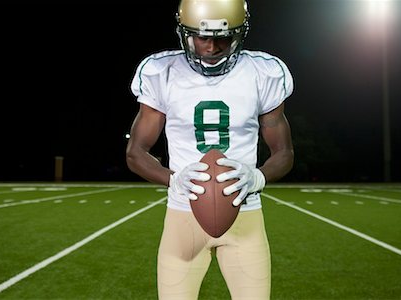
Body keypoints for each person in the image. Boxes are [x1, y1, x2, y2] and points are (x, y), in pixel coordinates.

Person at [126, 0, 294, 298]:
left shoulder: (261, 73)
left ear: (240, 33)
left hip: (245, 218)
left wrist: (257, 177)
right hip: (182, 220)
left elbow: (284, 153)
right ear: (183, 31)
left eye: (223, 37)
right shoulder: (161, 72)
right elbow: (135, 152)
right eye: (203, 36)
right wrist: (173, 178)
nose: (212, 47)